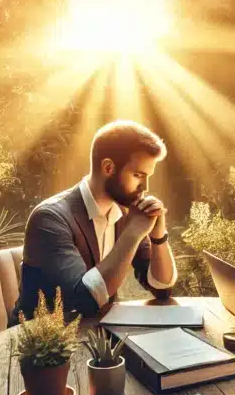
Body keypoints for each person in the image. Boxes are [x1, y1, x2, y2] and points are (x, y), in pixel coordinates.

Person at [11, 120, 177, 323]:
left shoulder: (125, 212)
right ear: (108, 167)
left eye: (148, 176)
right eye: (137, 175)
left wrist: (158, 237)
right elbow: (84, 302)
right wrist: (132, 234)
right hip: (41, 346)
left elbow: (161, 288)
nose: (145, 186)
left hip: (94, 338)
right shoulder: (50, 218)